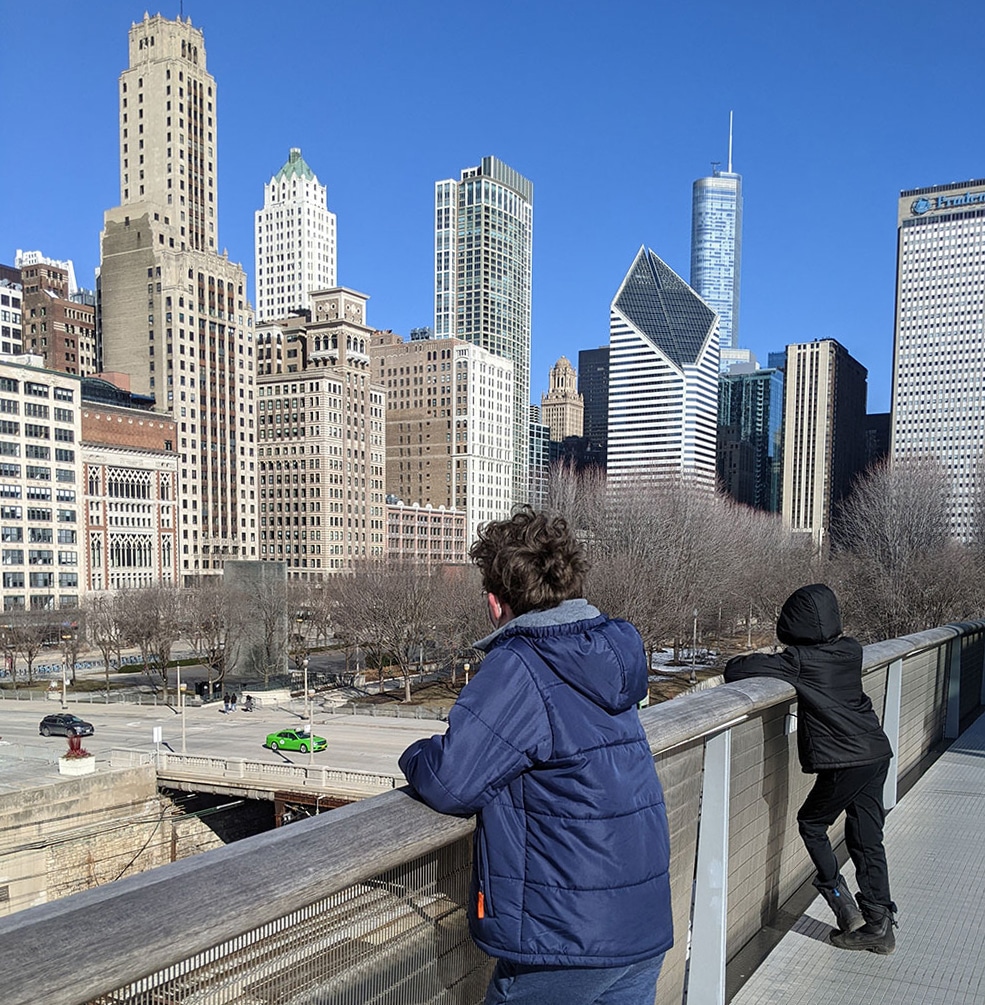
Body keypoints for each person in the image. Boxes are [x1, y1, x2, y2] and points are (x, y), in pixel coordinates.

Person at [399, 507, 673, 1005]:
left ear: (494, 600)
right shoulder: (606, 654)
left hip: (567, 938)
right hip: (640, 921)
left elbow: (450, 780)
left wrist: (415, 753)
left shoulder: (522, 664)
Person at [724, 583, 897, 954]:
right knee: (867, 837)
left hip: (846, 761)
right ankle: (879, 924)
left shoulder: (799, 661)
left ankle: (843, 906)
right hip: (876, 751)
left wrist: (778, 655)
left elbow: (735, 669)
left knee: (812, 823)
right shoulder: (851, 650)